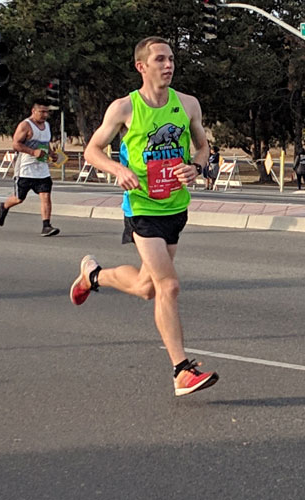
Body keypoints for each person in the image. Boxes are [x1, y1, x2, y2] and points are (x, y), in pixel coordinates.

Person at [68, 36, 218, 397]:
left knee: (146, 288)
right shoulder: (124, 108)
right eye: (161, 60)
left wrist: (196, 167)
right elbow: (91, 150)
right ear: (142, 66)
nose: (168, 65)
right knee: (169, 286)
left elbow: (203, 147)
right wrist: (117, 170)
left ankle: (93, 275)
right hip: (142, 208)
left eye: (171, 60)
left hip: (175, 207)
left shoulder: (187, 104)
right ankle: (181, 371)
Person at [0, 101, 60, 236]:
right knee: (19, 199)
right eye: (42, 112)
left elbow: (45, 143)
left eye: (46, 112)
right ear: (33, 111)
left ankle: (46, 225)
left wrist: (51, 154)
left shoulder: (47, 125)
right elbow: (16, 144)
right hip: (25, 169)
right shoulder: (25, 125)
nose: (45, 115)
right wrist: (32, 152)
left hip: (42, 169)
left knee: (46, 196)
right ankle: (4, 206)